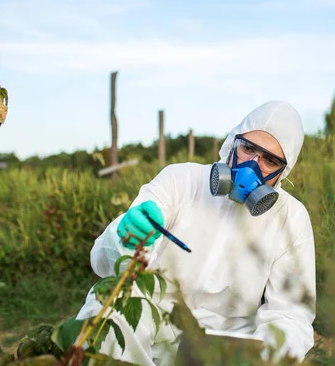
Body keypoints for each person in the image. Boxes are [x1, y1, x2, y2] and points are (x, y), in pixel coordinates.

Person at [76, 101, 316, 365]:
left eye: (270, 160)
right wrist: (126, 239)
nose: (252, 166)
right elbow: (104, 263)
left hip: (225, 347)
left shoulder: (290, 217)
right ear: (233, 143)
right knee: (111, 314)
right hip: (151, 326)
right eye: (248, 149)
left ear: (284, 171)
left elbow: (291, 315)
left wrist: (263, 356)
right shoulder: (181, 181)